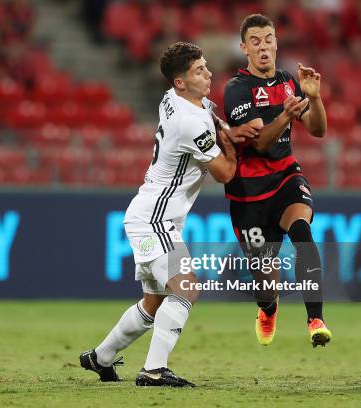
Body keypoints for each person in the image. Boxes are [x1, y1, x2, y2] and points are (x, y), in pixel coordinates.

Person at [80, 42, 256, 387]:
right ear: (180, 82)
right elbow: (222, 173)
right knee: (187, 288)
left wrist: (226, 131)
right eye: (198, 71)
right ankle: (154, 370)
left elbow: (210, 117)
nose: (208, 74)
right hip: (155, 220)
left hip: (148, 214)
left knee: (155, 301)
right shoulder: (189, 123)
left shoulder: (174, 100)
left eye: (206, 66)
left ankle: (100, 358)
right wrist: (232, 150)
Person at [222, 14, 332, 348]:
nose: (263, 46)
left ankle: (315, 319)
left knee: (302, 232)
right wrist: (284, 116)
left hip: (286, 176)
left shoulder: (288, 81)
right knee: (266, 284)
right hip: (248, 194)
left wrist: (313, 98)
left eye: (268, 38)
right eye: (255, 40)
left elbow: (318, 130)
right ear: (244, 48)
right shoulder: (237, 89)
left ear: (276, 42)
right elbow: (258, 142)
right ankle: (268, 309)